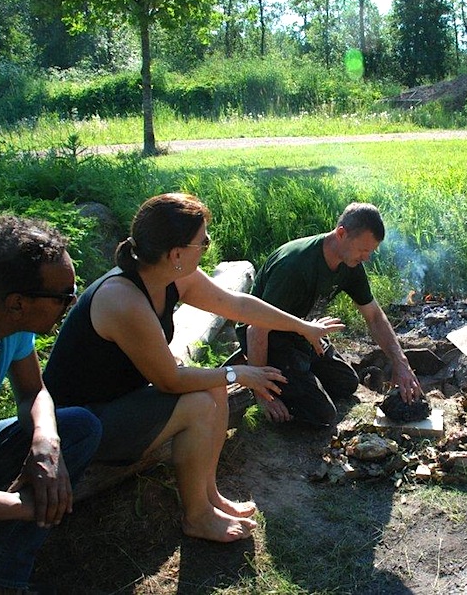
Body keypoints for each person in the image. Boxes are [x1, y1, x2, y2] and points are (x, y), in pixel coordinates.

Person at [43, 193, 344, 543]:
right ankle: (197, 517)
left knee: (212, 386)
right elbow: (170, 381)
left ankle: (209, 496)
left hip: (119, 400)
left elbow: (236, 304)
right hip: (80, 426)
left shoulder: (169, 275)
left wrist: (301, 326)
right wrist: (238, 373)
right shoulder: (122, 299)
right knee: (200, 401)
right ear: (176, 254)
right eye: (203, 241)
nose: (207, 247)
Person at [0, 216, 102, 594]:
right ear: (17, 303)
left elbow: (33, 392)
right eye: (63, 295)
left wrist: (45, 442)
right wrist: (23, 506)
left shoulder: (4, 320)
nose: (72, 301)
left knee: (79, 428)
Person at [240, 202, 423, 425]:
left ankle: (300, 373)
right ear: (341, 234)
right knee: (322, 415)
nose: (366, 257)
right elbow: (256, 329)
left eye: (371, 251)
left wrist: (400, 362)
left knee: (346, 383)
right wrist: (262, 395)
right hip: (269, 338)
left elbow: (374, 316)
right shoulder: (294, 266)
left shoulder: (351, 264)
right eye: (363, 250)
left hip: (304, 331)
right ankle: (265, 376)